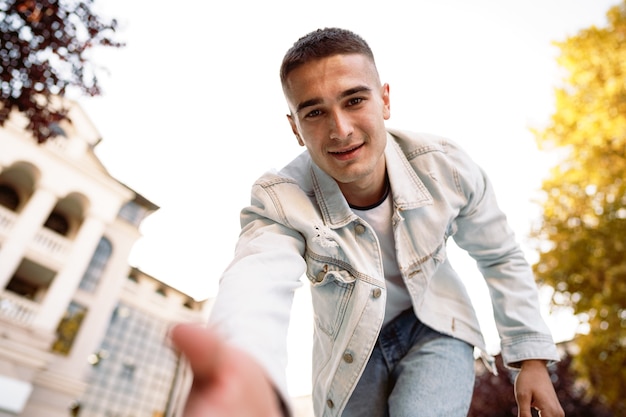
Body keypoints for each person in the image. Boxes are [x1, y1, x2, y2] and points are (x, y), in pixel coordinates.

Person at [172, 27, 565, 417]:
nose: (340, 129)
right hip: (351, 352)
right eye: (314, 112)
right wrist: (242, 368)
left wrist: (530, 359)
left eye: (354, 100)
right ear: (295, 127)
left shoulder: (447, 169)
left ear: (385, 100)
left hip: (437, 327)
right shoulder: (282, 199)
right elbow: (257, 279)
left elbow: (499, 256)